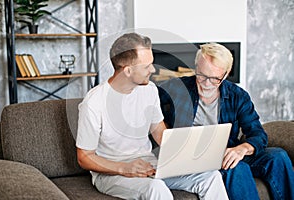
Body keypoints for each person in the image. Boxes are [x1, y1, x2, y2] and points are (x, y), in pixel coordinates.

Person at [76, 33, 228, 200]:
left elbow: (159, 132)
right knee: (156, 188)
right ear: (128, 70)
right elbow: (84, 157)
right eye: (147, 66)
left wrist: (190, 153)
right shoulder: (94, 103)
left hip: (149, 164)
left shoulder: (149, 90)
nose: (153, 70)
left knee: (211, 177)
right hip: (111, 174)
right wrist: (124, 168)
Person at [157, 42, 294, 200]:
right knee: (236, 168)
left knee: (278, 156)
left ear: (226, 74)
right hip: (192, 159)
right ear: (196, 67)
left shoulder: (237, 96)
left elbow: (257, 133)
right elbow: (147, 103)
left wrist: (242, 149)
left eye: (215, 78)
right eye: (201, 75)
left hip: (226, 153)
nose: (207, 84)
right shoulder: (176, 88)